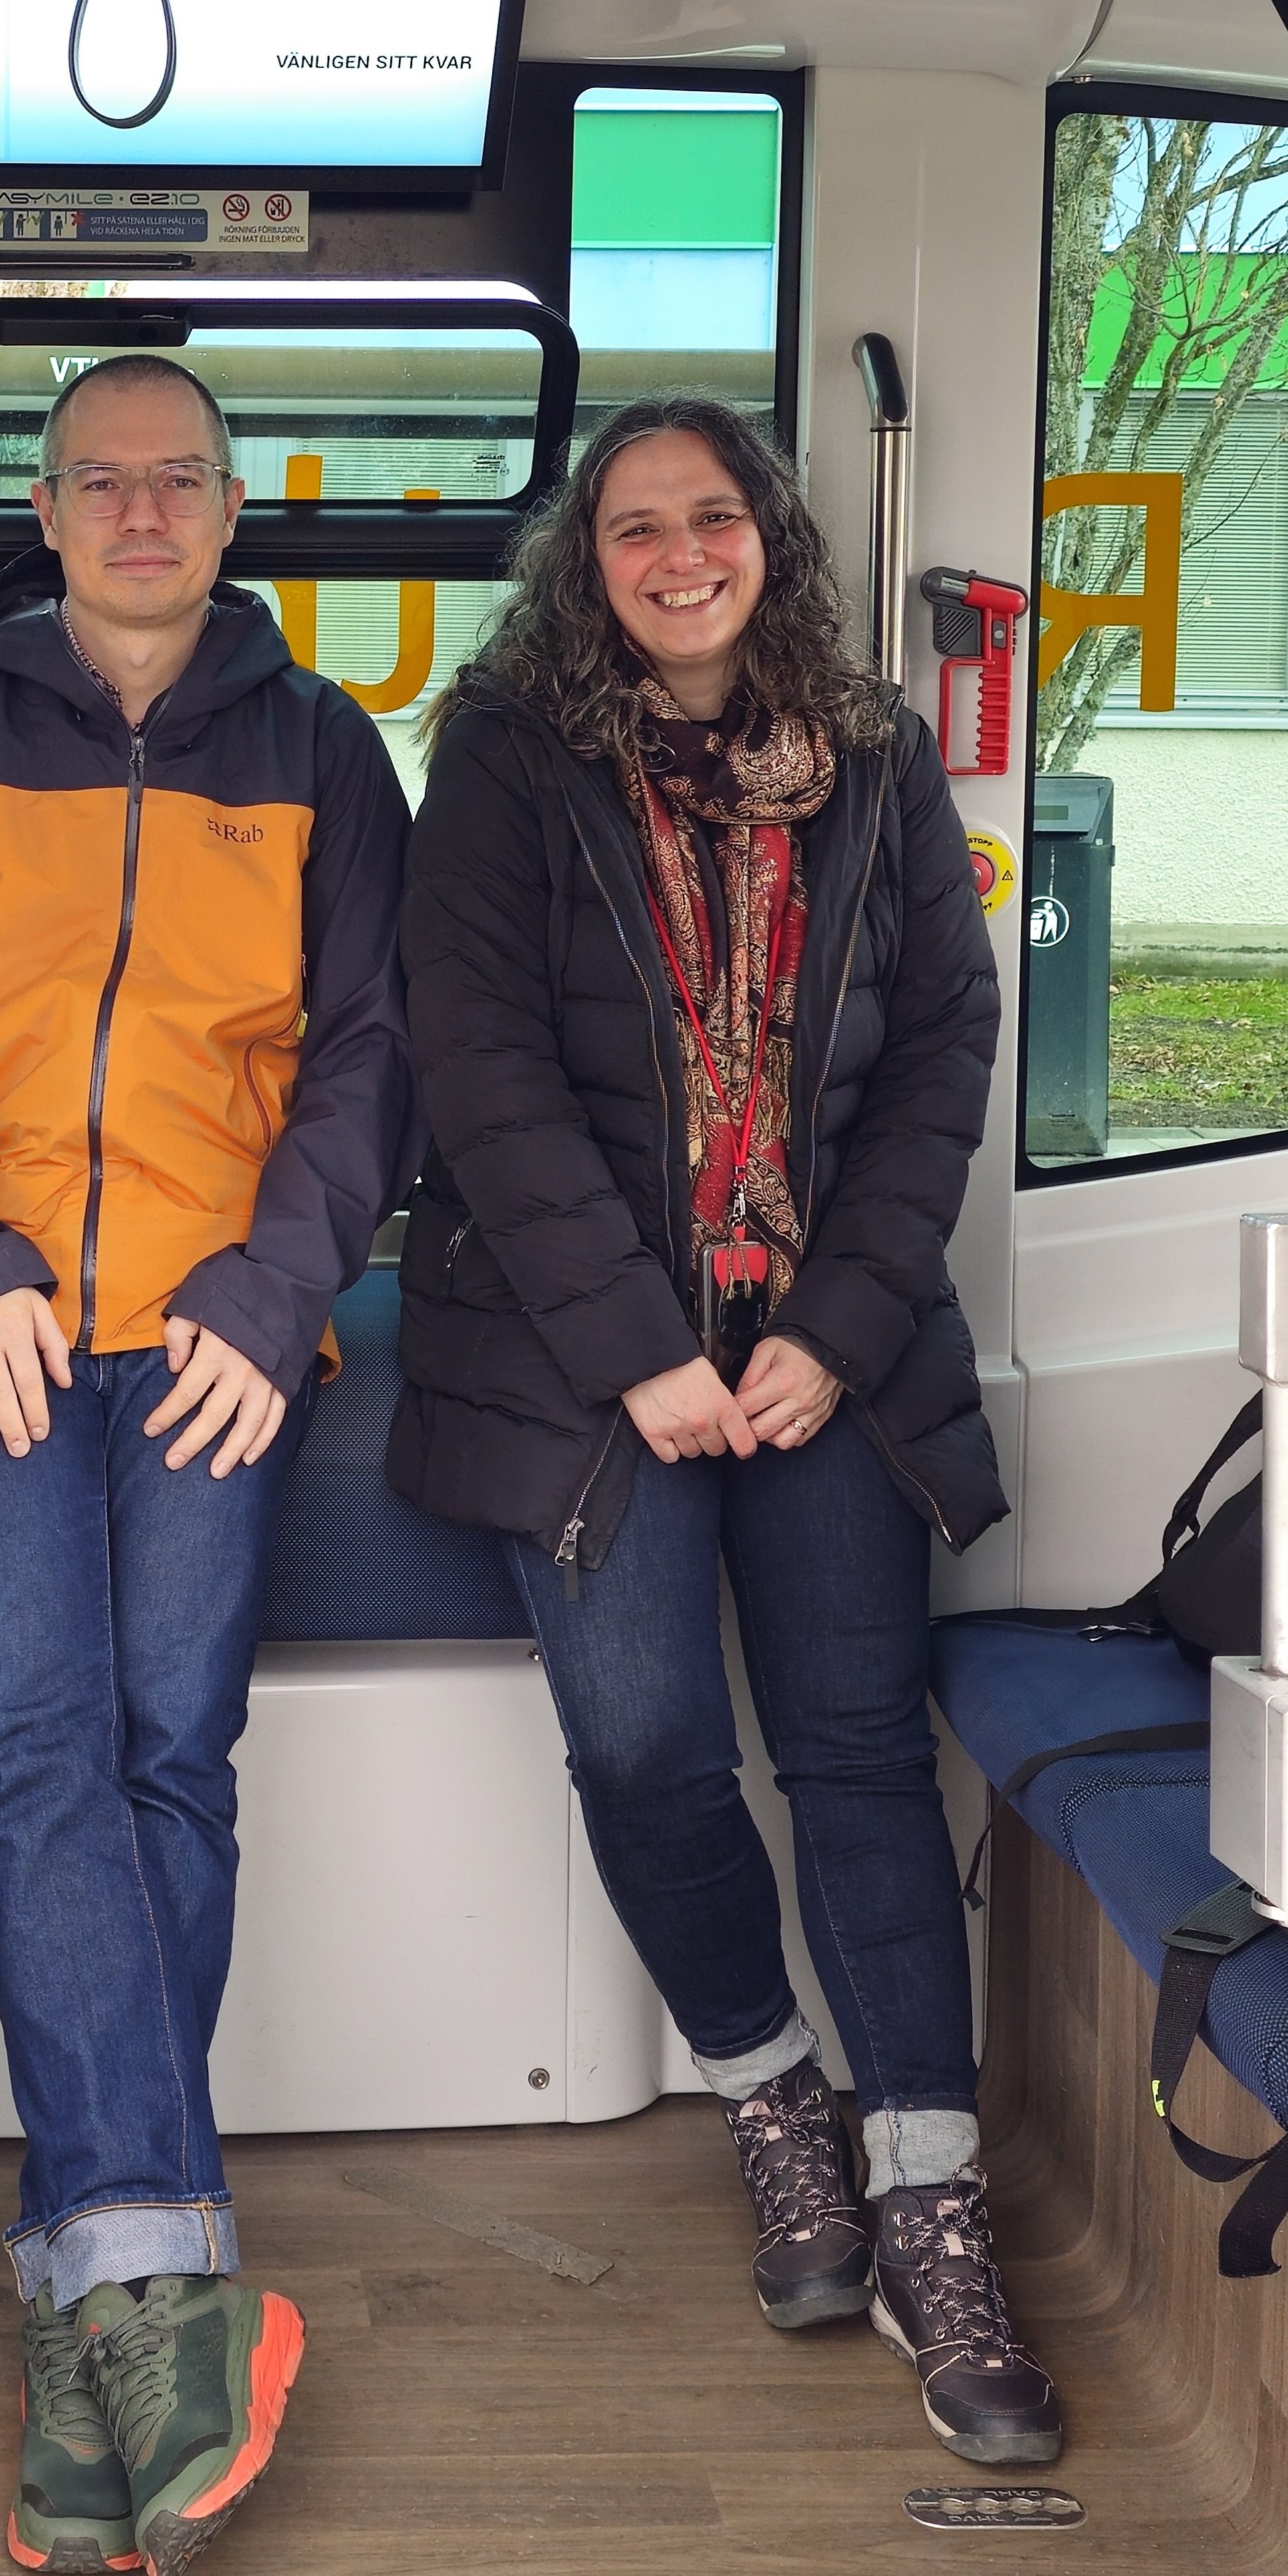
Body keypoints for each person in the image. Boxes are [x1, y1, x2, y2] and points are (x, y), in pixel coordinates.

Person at [384, 396, 1048, 2465]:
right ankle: (773, 2096)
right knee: (646, 1743)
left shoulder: (869, 756)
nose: (677, 554)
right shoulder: (502, 758)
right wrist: (634, 1348)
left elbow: (944, 1040)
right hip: (590, 1369)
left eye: (711, 517)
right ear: (583, 566)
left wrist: (836, 1330)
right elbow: (475, 1067)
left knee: (856, 1752)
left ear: (771, 534)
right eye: (632, 528)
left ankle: (932, 2203)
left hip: (820, 1354)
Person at [0, 353, 411, 2576]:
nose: (144, 513)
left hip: (212, 1325)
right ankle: (159, 2286)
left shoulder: (329, 754)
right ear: (47, 508)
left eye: (182, 482)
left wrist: (271, 1305)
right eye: (105, 482)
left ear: (234, 510)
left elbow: (366, 1064)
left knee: (174, 1747)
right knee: (35, 1745)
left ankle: (87, 2289)